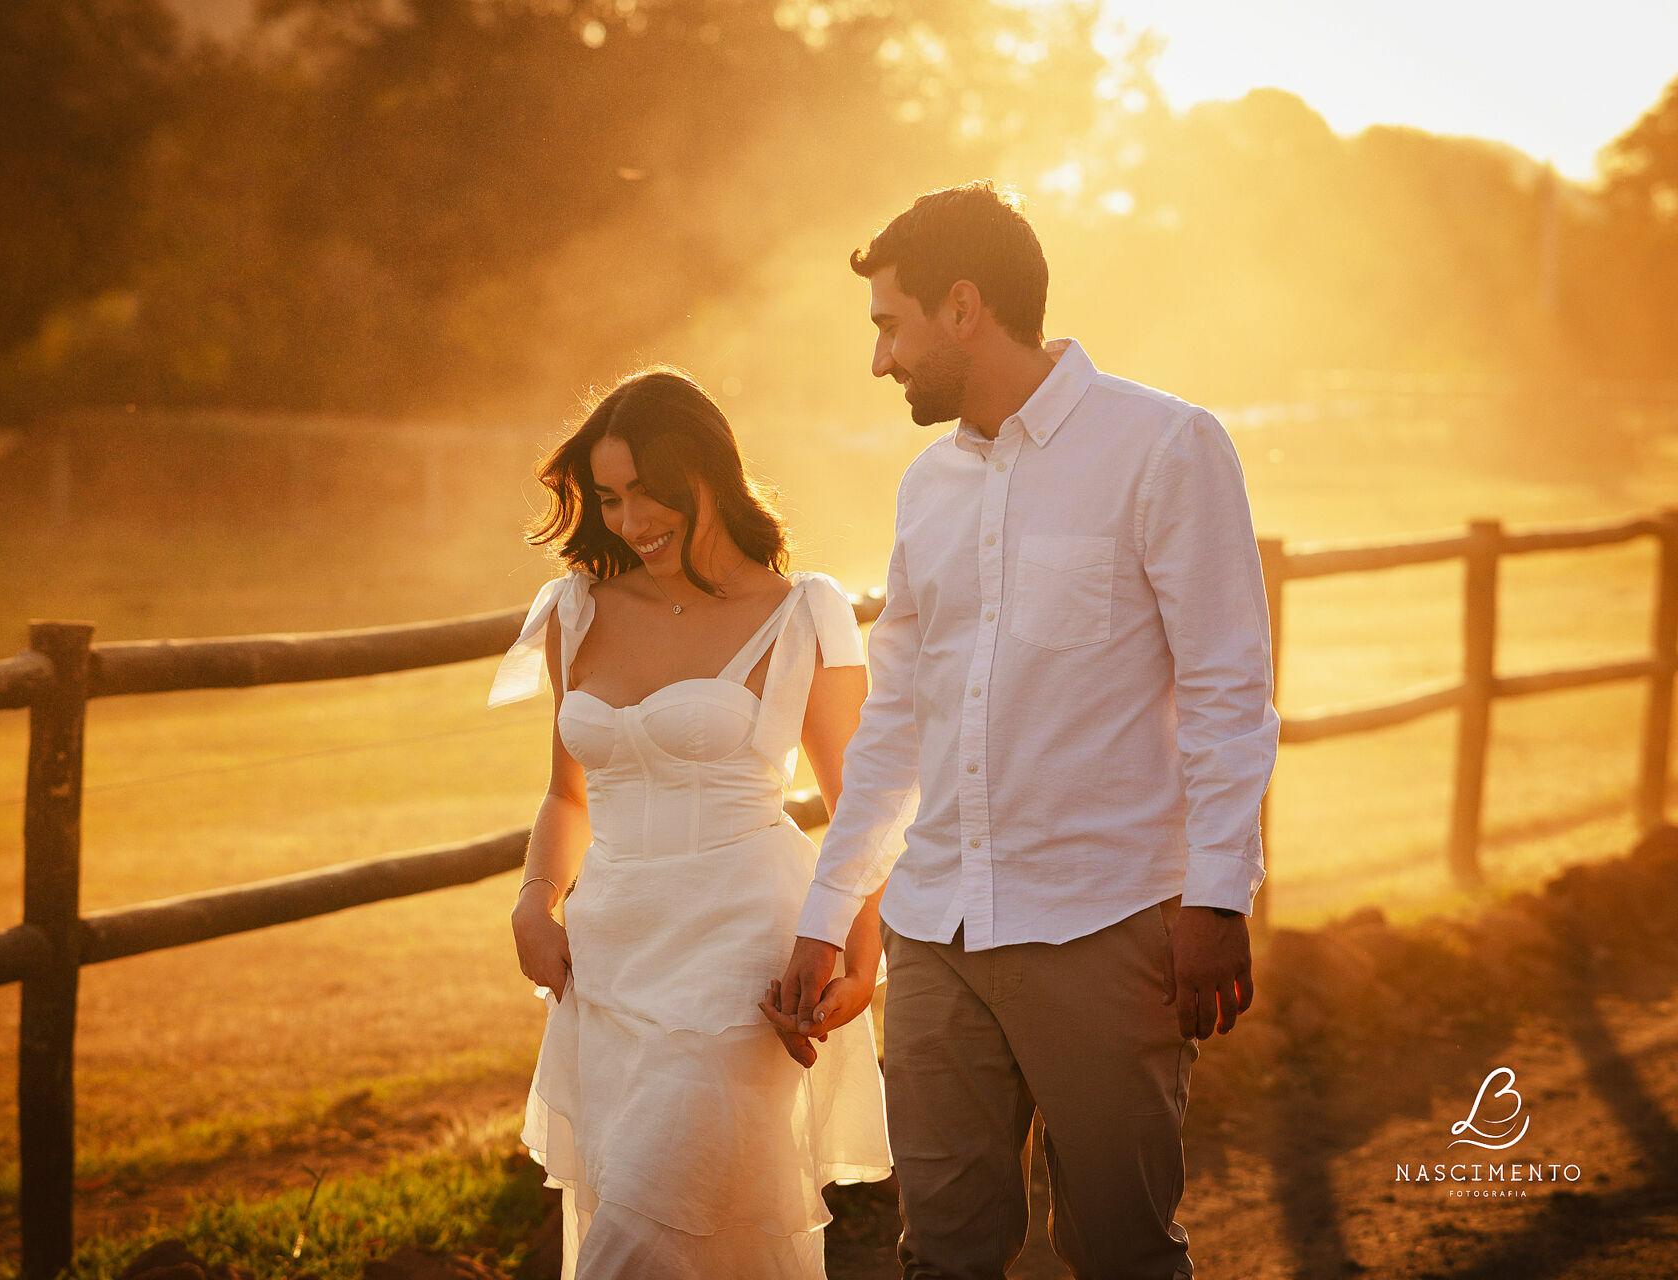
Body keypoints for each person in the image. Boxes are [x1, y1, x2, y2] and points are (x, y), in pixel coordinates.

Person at [771, 182, 1280, 1279]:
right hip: (936, 930)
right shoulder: (926, 490)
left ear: (963, 308)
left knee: (1120, 1250)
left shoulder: (1166, 446)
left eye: (888, 326)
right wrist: (831, 908)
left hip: (1106, 926)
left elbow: (1228, 686)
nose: (879, 361)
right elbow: (897, 716)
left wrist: (1220, 896)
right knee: (942, 1253)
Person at [489, 368, 893, 1279]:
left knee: (640, 1237)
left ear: (711, 471)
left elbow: (857, 802)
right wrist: (532, 904)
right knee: (669, 1226)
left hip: (743, 959)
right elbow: (567, 795)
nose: (632, 522)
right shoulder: (574, 610)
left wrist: (862, 961)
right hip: (610, 957)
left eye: (650, 493)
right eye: (610, 498)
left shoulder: (803, 613)